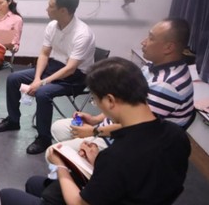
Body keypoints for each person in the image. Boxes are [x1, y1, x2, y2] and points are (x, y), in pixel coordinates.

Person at [0, 57, 190, 205]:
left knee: (7, 197)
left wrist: (61, 166)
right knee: (35, 184)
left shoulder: (119, 156)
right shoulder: (175, 135)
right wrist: (96, 161)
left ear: (110, 100)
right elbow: (133, 175)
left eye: (95, 100)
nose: (96, 105)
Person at [49, 18, 195, 156]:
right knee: (58, 128)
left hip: (129, 142)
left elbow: (137, 127)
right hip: (114, 126)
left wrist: (94, 131)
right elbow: (126, 102)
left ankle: (95, 167)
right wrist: (96, 119)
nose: (143, 42)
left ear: (169, 47)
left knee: (54, 153)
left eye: (151, 38)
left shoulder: (166, 85)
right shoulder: (153, 66)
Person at [0, 0, 95, 155]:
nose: (47, 9)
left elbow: (70, 69)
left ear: (63, 10)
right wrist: (37, 78)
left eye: (51, 6)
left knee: (43, 93)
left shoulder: (83, 34)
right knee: (13, 79)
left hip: (76, 77)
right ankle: (13, 120)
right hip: (54, 67)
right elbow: (45, 53)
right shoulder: (53, 26)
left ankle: (44, 138)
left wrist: (42, 83)